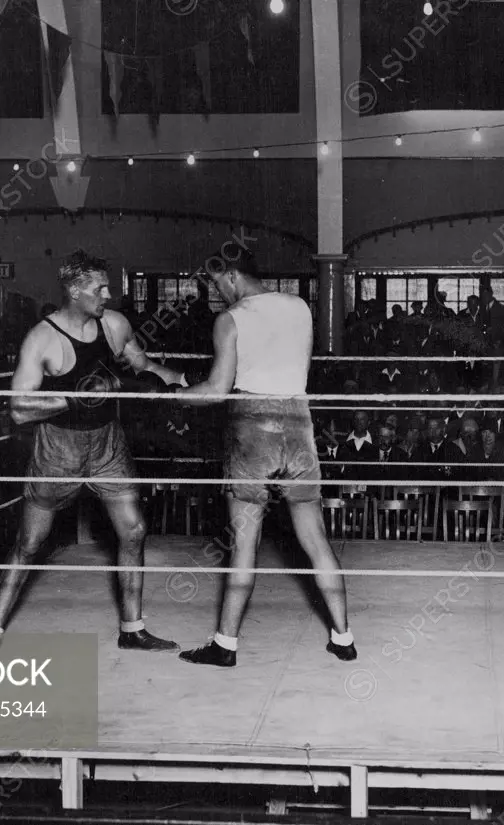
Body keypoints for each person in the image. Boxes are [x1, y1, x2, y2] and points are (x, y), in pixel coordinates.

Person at [0, 251, 185, 658]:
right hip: (58, 451)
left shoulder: (115, 324)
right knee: (31, 542)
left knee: (134, 530)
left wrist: (192, 382)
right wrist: (75, 400)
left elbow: (144, 366)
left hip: (108, 445)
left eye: (107, 286)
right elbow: (18, 409)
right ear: (74, 292)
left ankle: (132, 628)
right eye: (99, 288)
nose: (108, 293)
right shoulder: (42, 338)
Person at [175, 248, 355, 668]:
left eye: (218, 284)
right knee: (315, 539)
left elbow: (218, 390)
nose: (218, 294)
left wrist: (176, 396)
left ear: (233, 276)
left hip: (252, 425)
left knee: (244, 543)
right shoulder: (300, 307)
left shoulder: (230, 319)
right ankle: (344, 638)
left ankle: (225, 645)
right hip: (298, 421)